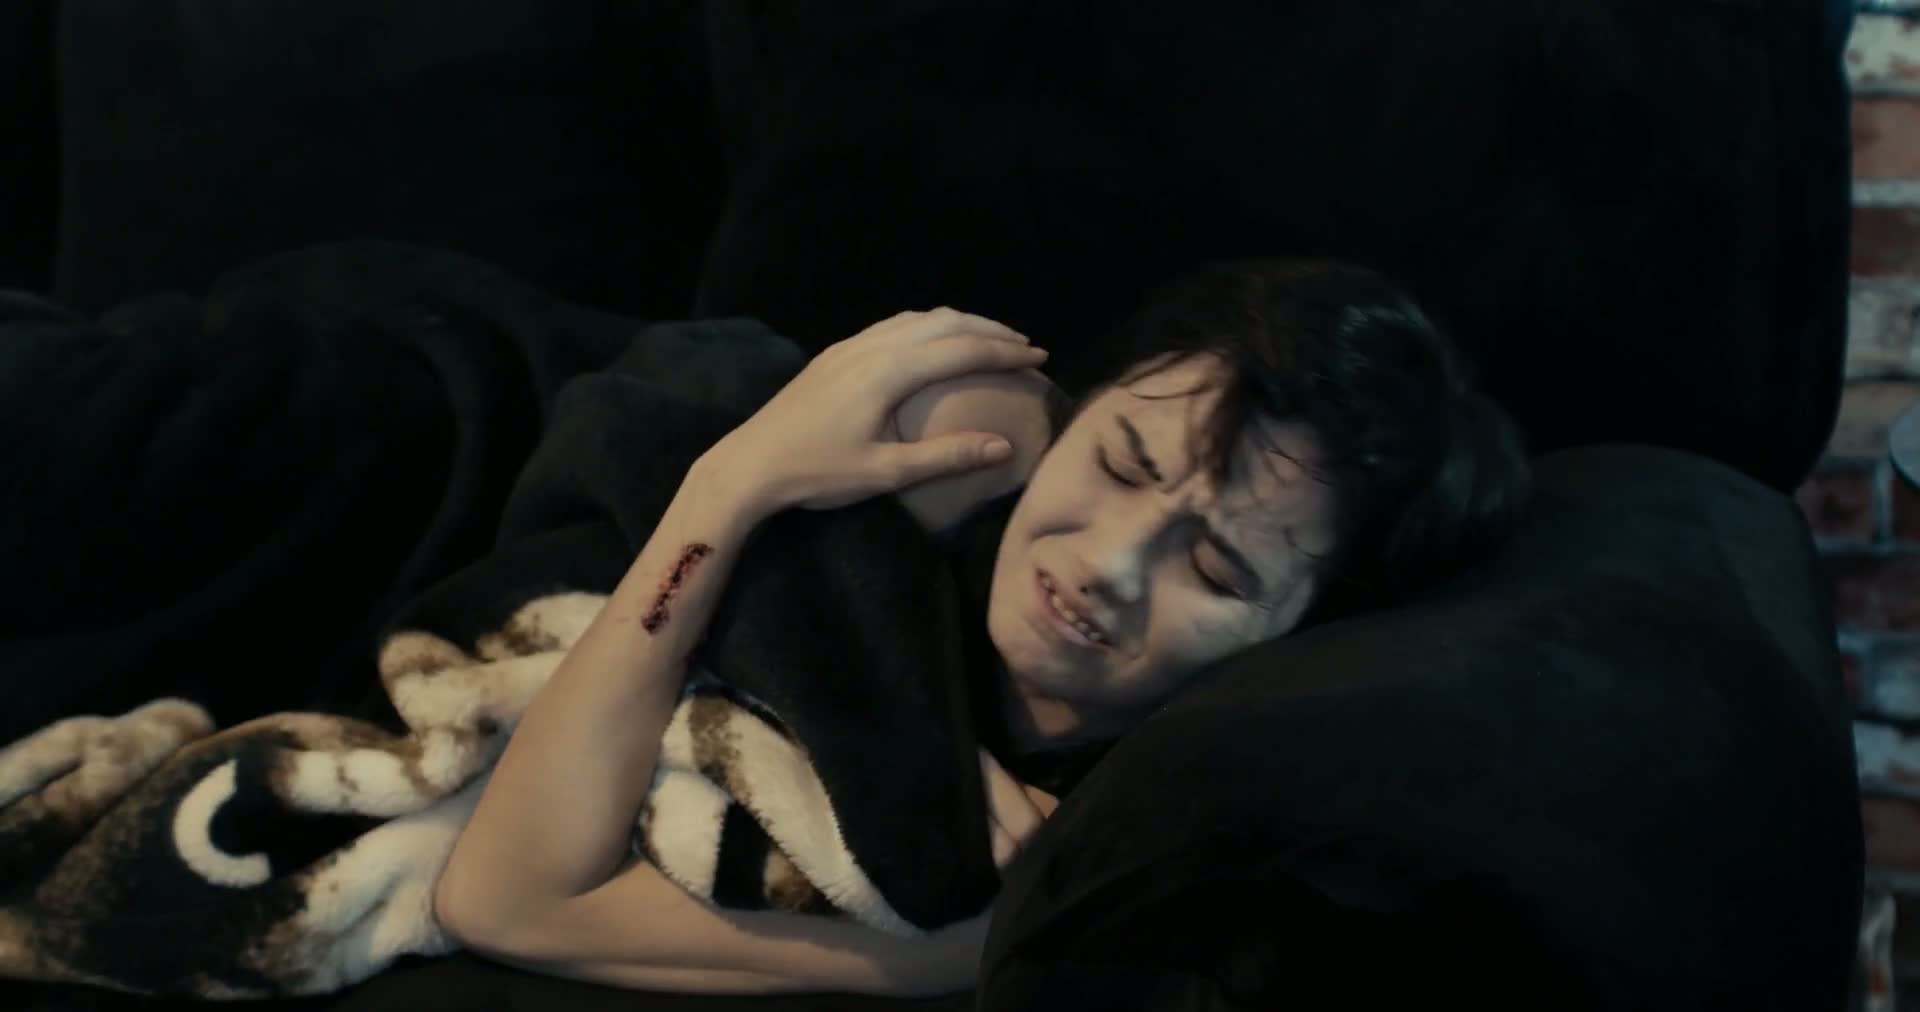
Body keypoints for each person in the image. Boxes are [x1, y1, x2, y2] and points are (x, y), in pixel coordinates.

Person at [431, 258, 1531, 997]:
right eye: (1120, 462)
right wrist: (736, 476)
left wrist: (737, 498)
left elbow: (504, 898)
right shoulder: (967, 435)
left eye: (1214, 569)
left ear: (1302, 638)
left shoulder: (1043, 879)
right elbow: (653, 429)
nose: (1107, 564)